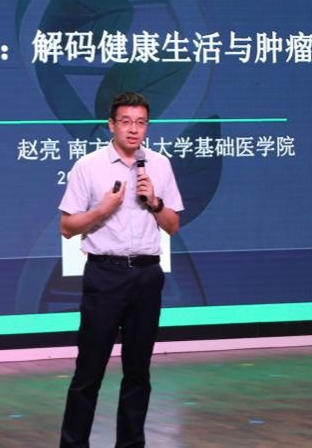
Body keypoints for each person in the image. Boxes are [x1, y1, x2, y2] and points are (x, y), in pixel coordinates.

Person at [59, 92, 184, 447]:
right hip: (106, 274)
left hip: (147, 275)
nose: (134, 129)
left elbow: (173, 225)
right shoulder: (88, 166)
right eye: (126, 122)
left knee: (138, 372)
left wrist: (154, 202)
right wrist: (103, 210)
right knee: (89, 371)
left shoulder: (159, 165)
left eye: (141, 122)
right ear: (111, 125)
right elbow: (67, 227)